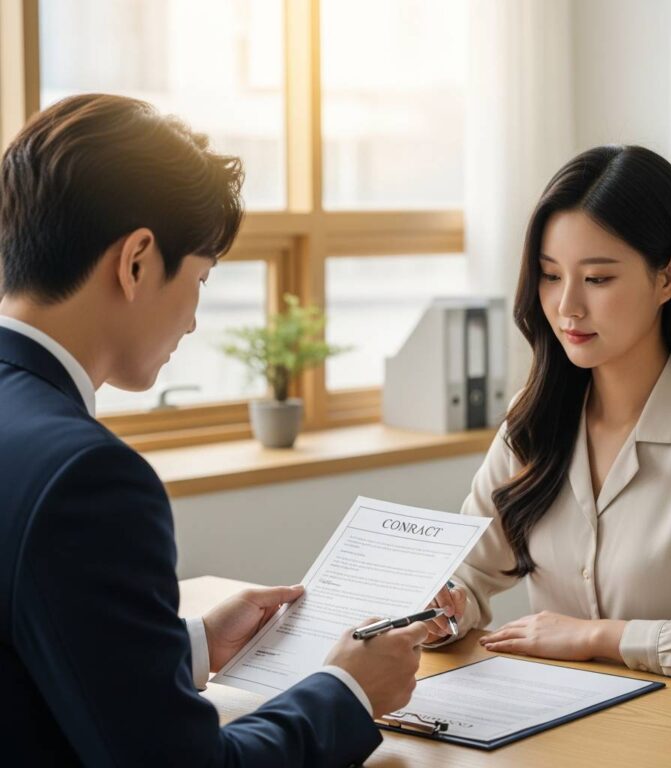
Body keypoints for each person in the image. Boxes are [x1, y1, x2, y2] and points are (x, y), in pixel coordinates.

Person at [0, 93, 427, 767]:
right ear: (137, 261)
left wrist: (193, 643)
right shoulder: (88, 478)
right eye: (199, 277)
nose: (195, 320)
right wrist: (347, 689)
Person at [425, 145, 671, 685]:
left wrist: (600, 636)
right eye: (550, 275)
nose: (567, 307)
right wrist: (441, 612)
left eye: (598, 278)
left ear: (669, 278)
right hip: (558, 730)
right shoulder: (532, 420)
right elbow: (466, 572)